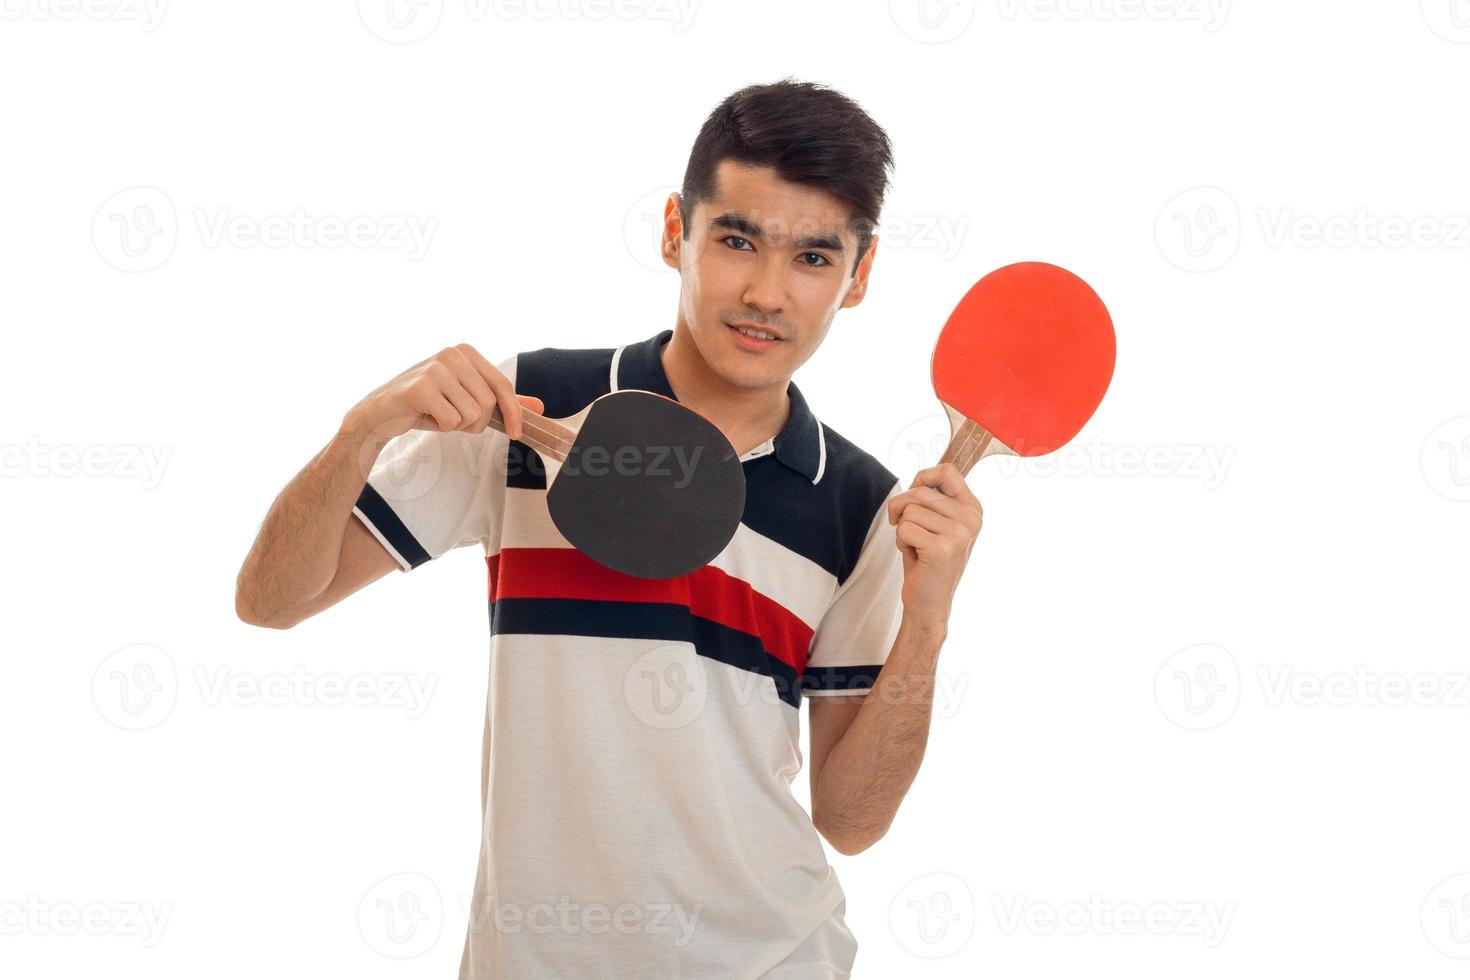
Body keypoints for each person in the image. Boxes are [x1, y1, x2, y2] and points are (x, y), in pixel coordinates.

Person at [235, 78, 983, 979]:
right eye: (736, 239)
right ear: (676, 231)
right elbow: (270, 601)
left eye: (814, 259)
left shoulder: (860, 503)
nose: (767, 293)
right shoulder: (524, 412)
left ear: (859, 277)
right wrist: (362, 430)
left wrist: (930, 618)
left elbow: (852, 823)